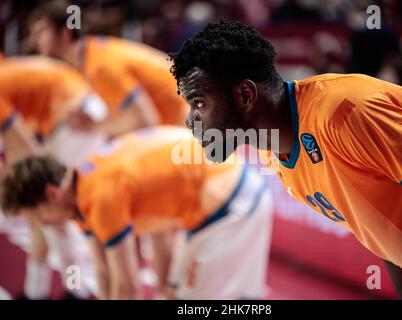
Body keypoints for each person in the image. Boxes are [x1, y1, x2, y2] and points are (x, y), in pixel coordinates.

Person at [169, 21, 402, 299]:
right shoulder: (273, 154)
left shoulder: (342, 112)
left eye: (199, 103)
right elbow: (385, 230)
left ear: (245, 95)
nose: (189, 119)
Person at [0, 127, 273, 300]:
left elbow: (129, 288)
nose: (40, 223)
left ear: (50, 195)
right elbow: (104, 272)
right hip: (220, 197)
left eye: (36, 215)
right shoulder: (82, 186)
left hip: (233, 201)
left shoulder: (100, 197)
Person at [0, 55, 108, 300]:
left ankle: (76, 291)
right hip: (77, 113)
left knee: (52, 215)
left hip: (76, 121)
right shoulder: (7, 75)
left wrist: (22, 195)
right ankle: (40, 290)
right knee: (44, 217)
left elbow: (29, 159)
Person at [29, 0, 188, 138]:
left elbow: (146, 121)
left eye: (41, 31)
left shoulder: (100, 65)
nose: (33, 41)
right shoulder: (92, 54)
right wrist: (98, 124)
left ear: (64, 32)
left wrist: (93, 127)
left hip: (191, 124)